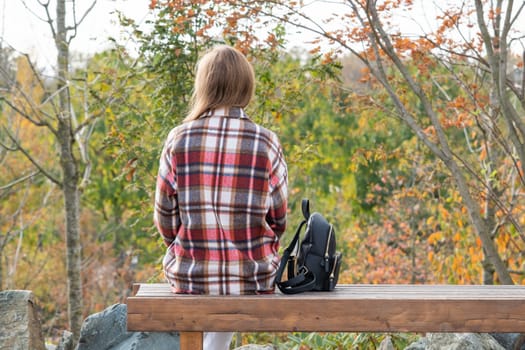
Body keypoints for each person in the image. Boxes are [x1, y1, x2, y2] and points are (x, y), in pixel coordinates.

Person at [153, 45, 288, 350]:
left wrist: (189, 246)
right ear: (246, 85)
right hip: (252, 276)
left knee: (210, 308)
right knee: (226, 301)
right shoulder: (266, 141)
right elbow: (278, 218)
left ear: (204, 85)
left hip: (190, 275)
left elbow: (164, 217)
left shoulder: (179, 138)